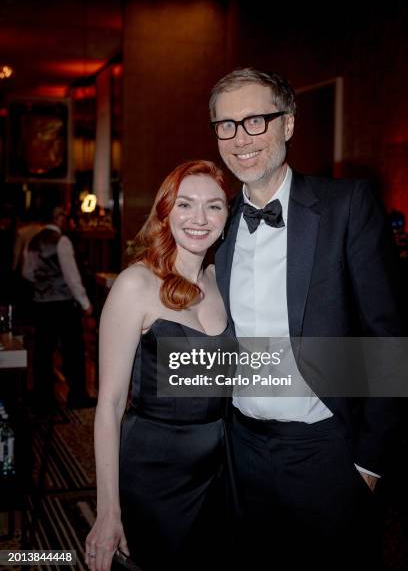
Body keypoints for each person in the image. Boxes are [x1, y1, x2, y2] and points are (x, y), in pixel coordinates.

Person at [210, 68, 404, 569]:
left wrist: (368, 462)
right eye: (226, 125)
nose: (240, 139)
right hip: (242, 449)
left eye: (256, 120)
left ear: (288, 124)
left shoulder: (346, 206)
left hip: (328, 454)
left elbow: (387, 337)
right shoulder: (218, 222)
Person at [86, 160, 231, 571]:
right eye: (185, 204)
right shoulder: (137, 284)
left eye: (214, 206)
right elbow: (109, 407)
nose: (199, 219)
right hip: (153, 473)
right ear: (165, 211)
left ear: (226, 215)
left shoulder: (226, 280)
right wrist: (107, 510)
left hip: (219, 473)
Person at [23, 205, 93, 410]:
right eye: (63, 215)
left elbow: (27, 273)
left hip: (41, 303)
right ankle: (77, 395)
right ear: (57, 218)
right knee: (73, 350)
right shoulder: (61, 241)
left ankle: (43, 397)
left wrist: (43, 284)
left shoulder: (33, 241)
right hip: (63, 304)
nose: (66, 219)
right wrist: (86, 304)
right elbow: (72, 278)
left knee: (43, 351)